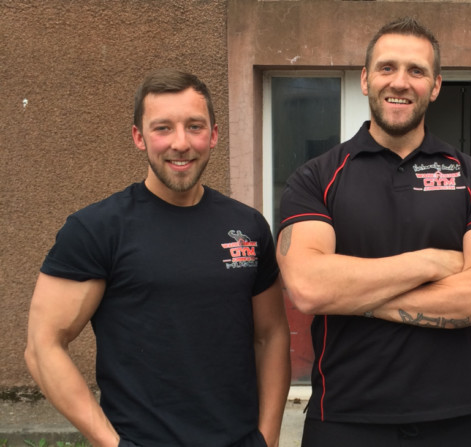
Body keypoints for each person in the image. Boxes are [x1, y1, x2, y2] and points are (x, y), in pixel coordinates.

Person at [276, 17, 471, 447]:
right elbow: (310, 288)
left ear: (437, 85)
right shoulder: (316, 178)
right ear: (367, 80)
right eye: (387, 68)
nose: (401, 82)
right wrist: (432, 262)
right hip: (344, 418)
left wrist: (354, 296)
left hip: (450, 418)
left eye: (417, 71)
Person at [25, 69, 291, 447]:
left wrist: (267, 437)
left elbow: (271, 335)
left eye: (194, 127)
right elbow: (42, 346)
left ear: (214, 135)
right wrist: (110, 443)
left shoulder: (247, 226)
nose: (180, 143)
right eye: (163, 128)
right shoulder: (97, 229)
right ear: (139, 137)